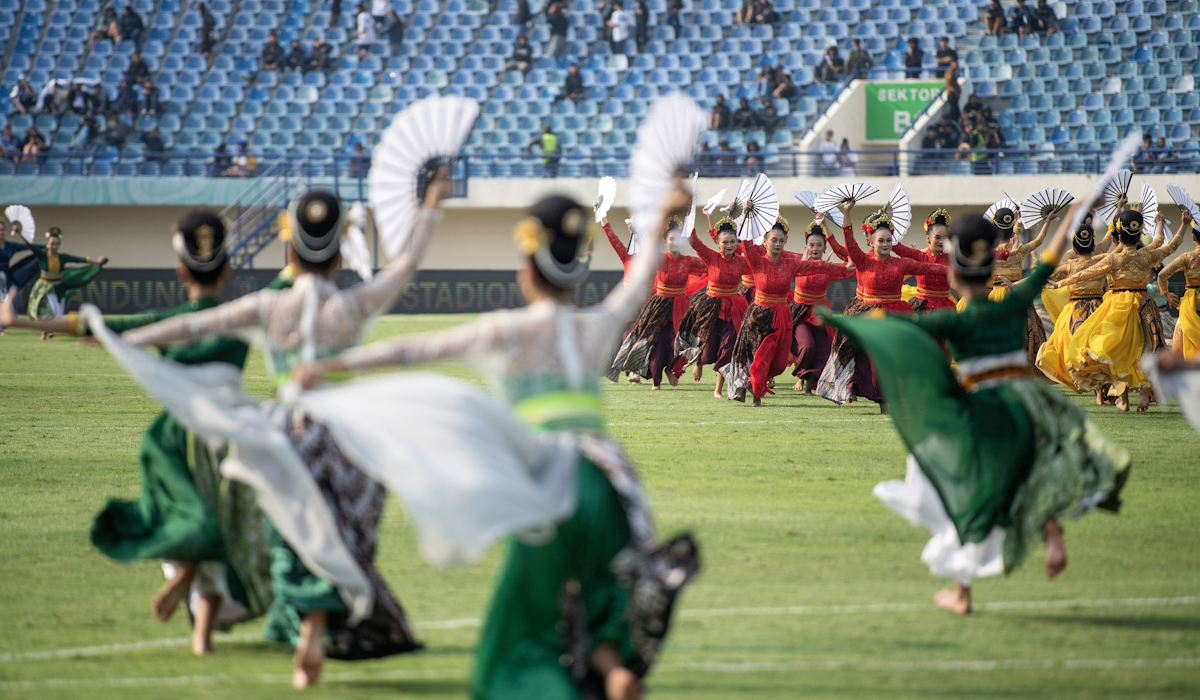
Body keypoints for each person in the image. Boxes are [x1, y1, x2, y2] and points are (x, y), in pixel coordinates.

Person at [290, 192, 697, 700]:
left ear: (528, 270)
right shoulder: (597, 323)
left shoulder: (507, 330)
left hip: (546, 483)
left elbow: (415, 349)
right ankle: (612, 669)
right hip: (607, 481)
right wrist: (661, 222)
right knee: (594, 597)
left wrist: (329, 367)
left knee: (514, 646)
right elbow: (639, 280)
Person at [89, 179, 452, 688]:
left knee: (293, 538)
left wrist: (115, 336)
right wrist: (429, 209)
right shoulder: (351, 306)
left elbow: (192, 326)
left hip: (288, 436)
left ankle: (308, 623)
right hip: (349, 436)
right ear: (340, 255)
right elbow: (405, 265)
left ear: (290, 249)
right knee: (344, 538)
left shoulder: (267, 306)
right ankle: (322, 624)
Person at [0, 212, 290, 653]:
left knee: (187, 522)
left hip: (173, 445)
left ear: (179, 272)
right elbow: (290, 283)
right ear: (228, 271)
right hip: (228, 439)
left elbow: (87, 322)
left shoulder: (166, 318)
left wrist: (18, 322)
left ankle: (192, 599)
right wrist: (303, 241)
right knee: (228, 527)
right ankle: (201, 623)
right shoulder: (240, 316)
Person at [822, 204, 1130, 615]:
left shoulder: (959, 320)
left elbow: (903, 328)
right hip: (1026, 407)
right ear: (989, 270)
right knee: (1026, 473)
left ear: (953, 274)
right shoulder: (1011, 301)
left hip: (983, 414)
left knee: (966, 495)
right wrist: (1072, 217)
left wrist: (854, 319)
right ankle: (1051, 532)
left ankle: (962, 593)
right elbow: (1047, 266)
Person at [816, 200, 949, 411]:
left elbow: (931, 268)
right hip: (869, 316)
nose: (886, 244)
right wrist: (847, 212)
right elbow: (848, 241)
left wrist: (959, 269)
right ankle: (881, 401)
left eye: (889, 240)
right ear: (871, 242)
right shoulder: (862, 261)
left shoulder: (901, 263)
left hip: (896, 316)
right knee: (871, 361)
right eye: (881, 241)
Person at [1054, 209, 1189, 411]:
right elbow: (1167, 244)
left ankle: (1124, 400)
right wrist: (1182, 224)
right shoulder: (1146, 256)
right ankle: (1146, 387)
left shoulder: (1113, 259)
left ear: (1117, 237)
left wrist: (1059, 283)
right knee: (1149, 348)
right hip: (1145, 304)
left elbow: (1086, 273)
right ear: (1139, 235)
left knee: (1119, 351)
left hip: (1119, 306)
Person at [723, 217, 853, 406]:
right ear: (765, 241)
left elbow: (816, 266)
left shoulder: (790, 264)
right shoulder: (757, 261)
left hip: (782, 316)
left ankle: (752, 383)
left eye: (781, 240)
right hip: (758, 316)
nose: (777, 243)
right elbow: (747, 243)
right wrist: (747, 216)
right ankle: (756, 395)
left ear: (785, 241)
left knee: (778, 363)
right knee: (762, 353)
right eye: (773, 240)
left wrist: (844, 268)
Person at [610, 217, 706, 389]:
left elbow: (709, 264)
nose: (675, 242)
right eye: (671, 238)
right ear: (665, 242)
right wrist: (634, 232)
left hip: (680, 307)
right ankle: (652, 377)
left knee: (679, 340)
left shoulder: (688, 261)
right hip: (659, 306)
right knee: (653, 339)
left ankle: (671, 369)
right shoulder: (658, 258)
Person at [1035, 222, 1113, 401]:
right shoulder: (1103, 260)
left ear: (1074, 249)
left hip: (1075, 312)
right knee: (1100, 348)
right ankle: (1101, 391)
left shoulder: (1069, 265)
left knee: (1077, 349)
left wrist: (1013, 284)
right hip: (1099, 309)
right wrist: (1117, 213)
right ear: (1094, 246)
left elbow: (1040, 277)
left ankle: (1093, 388)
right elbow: (1110, 240)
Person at [677, 215, 750, 397]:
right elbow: (694, 242)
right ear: (718, 243)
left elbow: (758, 259)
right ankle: (699, 364)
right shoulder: (711, 257)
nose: (729, 245)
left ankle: (719, 389)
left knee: (728, 347)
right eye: (725, 242)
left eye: (733, 242)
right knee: (707, 349)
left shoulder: (742, 261)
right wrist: (689, 216)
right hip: (711, 308)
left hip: (733, 308)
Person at [789, 216, 854, 394]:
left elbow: (851, 264)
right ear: (805, 247)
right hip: (800, 312)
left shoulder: (828, 268)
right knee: (807, 346)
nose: (815, 248)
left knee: (823, 350)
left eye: (819, 245)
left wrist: (827, 228)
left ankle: (809, 387)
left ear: (825, 248)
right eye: (811, 245)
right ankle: (800, 376)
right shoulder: (796, 264)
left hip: (820, 313)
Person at [20, 227, 107, 335]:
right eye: (52, 244)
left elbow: (79, 259)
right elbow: (31, 246)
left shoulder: (62, 257)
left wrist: (97, 262)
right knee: (50, 307)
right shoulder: (42, 255)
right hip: (45, 287)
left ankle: (45, 330)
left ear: (59, 245)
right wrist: (20, 233)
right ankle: (49, 330)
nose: (54, 246)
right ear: (48, 243)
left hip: (58, 287)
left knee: (57, 312)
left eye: (56, 244)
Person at [1158, 223, 1200, 360]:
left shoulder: (1187, 257)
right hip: (1191, 304)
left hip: (1190, 305)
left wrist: (1167, 294)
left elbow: (1162, 275)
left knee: (1182, 338)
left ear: (1193, 237)